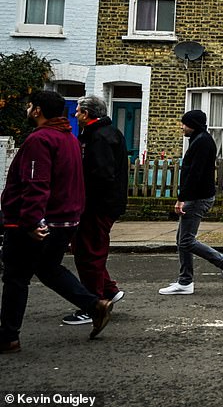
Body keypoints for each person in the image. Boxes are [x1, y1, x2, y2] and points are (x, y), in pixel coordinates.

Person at [1, 90, 113, 352]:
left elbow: (36, 182)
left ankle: (8, 337)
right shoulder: (69, 138)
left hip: (36, 223)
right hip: (66, 219)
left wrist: (30, 221)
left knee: (16, 277)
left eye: (29, 106)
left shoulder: (39, 140)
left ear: (37, 110)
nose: (27, 110)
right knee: (48, 268)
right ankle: (94, 304)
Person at [61, 95, 129, 327]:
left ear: (87, 114)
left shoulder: (99, 137)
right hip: (103, 204)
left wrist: (81, 200)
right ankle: (108, 290)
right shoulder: (105, 133)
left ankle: (92, 304)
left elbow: (101, 176)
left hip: (96, 206)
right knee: (90, 248)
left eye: (78, 111)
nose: (75, 115)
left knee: (89, 253)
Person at [158, 110, 223, 295]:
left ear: (193, 124)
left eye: (184, 124)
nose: (182, 127)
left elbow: (194, 174)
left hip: (197, 197)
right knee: (182, 240)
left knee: (186, 240)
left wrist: (182, 198)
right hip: (196, 196)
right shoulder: (200, 139)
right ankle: (185, 281)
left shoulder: (202, 142)